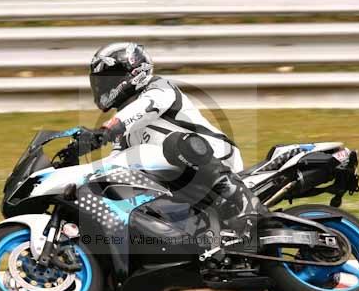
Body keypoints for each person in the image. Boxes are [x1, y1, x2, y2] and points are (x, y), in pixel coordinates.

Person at [81, 42, 266, 255]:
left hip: (217, 156)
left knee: (175, 143)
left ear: (134, 72)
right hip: (181, 182)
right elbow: (113, 165)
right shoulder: (125, 131)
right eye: (100, 81)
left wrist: (106, 130)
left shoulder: (160, 88)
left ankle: (245, 202)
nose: (103, 86)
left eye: (109, 79)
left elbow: (144, 107)